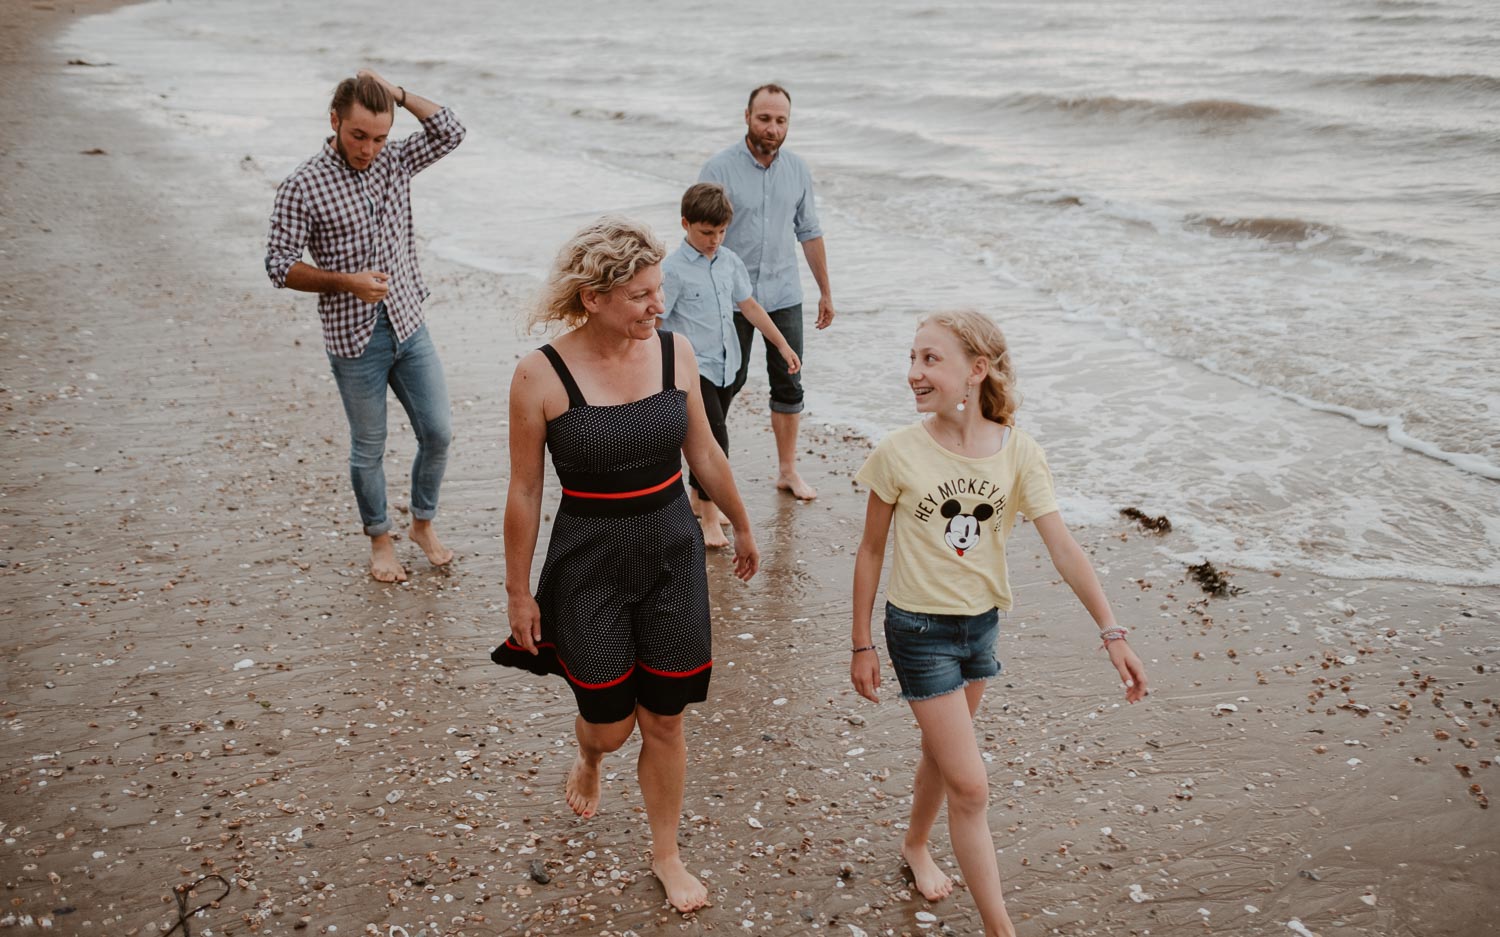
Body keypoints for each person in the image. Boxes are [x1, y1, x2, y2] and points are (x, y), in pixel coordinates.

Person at [849, 310, 1149, 936]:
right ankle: (1000, 928)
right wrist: (861, 642)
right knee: (973, 787)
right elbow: (871, 548)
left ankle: (914, 844)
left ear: (976, 370)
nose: (913, 373)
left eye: (930, 359)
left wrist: (1112, 631)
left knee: (945, 754)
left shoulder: (1020, 454)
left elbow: (1063, 546)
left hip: (980, 629)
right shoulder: (898, 451)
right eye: (913, 358)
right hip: (919, 631)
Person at [492, 217, 760, 914]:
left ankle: (666, 853)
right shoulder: (540, 374)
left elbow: (703, 453)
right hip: (591, 564)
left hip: (672, 554)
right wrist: (519, 593)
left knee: (666, 718)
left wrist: (742, 519)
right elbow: (524, 491)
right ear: (593, 298)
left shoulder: (675, 353)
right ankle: (589, 754)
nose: (658, 305)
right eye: (641, 295)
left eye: (659, 288)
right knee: (612, 725)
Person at [264, 69, 465, 582]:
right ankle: (380, 539)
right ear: (334, 121)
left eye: (379, 136)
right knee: (369, 448)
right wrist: (347, 282)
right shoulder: (301, 185)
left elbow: (451, 130)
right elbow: (279, 265)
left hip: (409, 323)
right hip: (354, 340)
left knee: (438, 433)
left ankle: (422, 523)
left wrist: (396, 93)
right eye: (359, 135)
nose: (369, 148)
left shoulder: (395, 161)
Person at [698, 83, 833, 502]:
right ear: (747, 117)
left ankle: (788, 471)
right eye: (764, 118)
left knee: (789, 382)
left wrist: (825, 292)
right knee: (725, 383)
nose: (772, 128)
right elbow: (699, 235)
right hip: (731, 298)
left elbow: (808, 232)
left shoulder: (797, 170)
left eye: (780, 120)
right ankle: (708, 477)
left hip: (784, 294)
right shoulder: (719, 169)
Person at [660, 182, 802, 549]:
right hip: (692, 370)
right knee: (714, 441)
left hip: (728, 366)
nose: (714, 240)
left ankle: (696, 498)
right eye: (707, 232)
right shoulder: (672, 271)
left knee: (704, 437)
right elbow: (656, 320)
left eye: (721, 232)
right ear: (685, 224)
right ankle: (710, 519)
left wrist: (782, 345)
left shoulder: (730, 262)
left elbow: (750, 307)